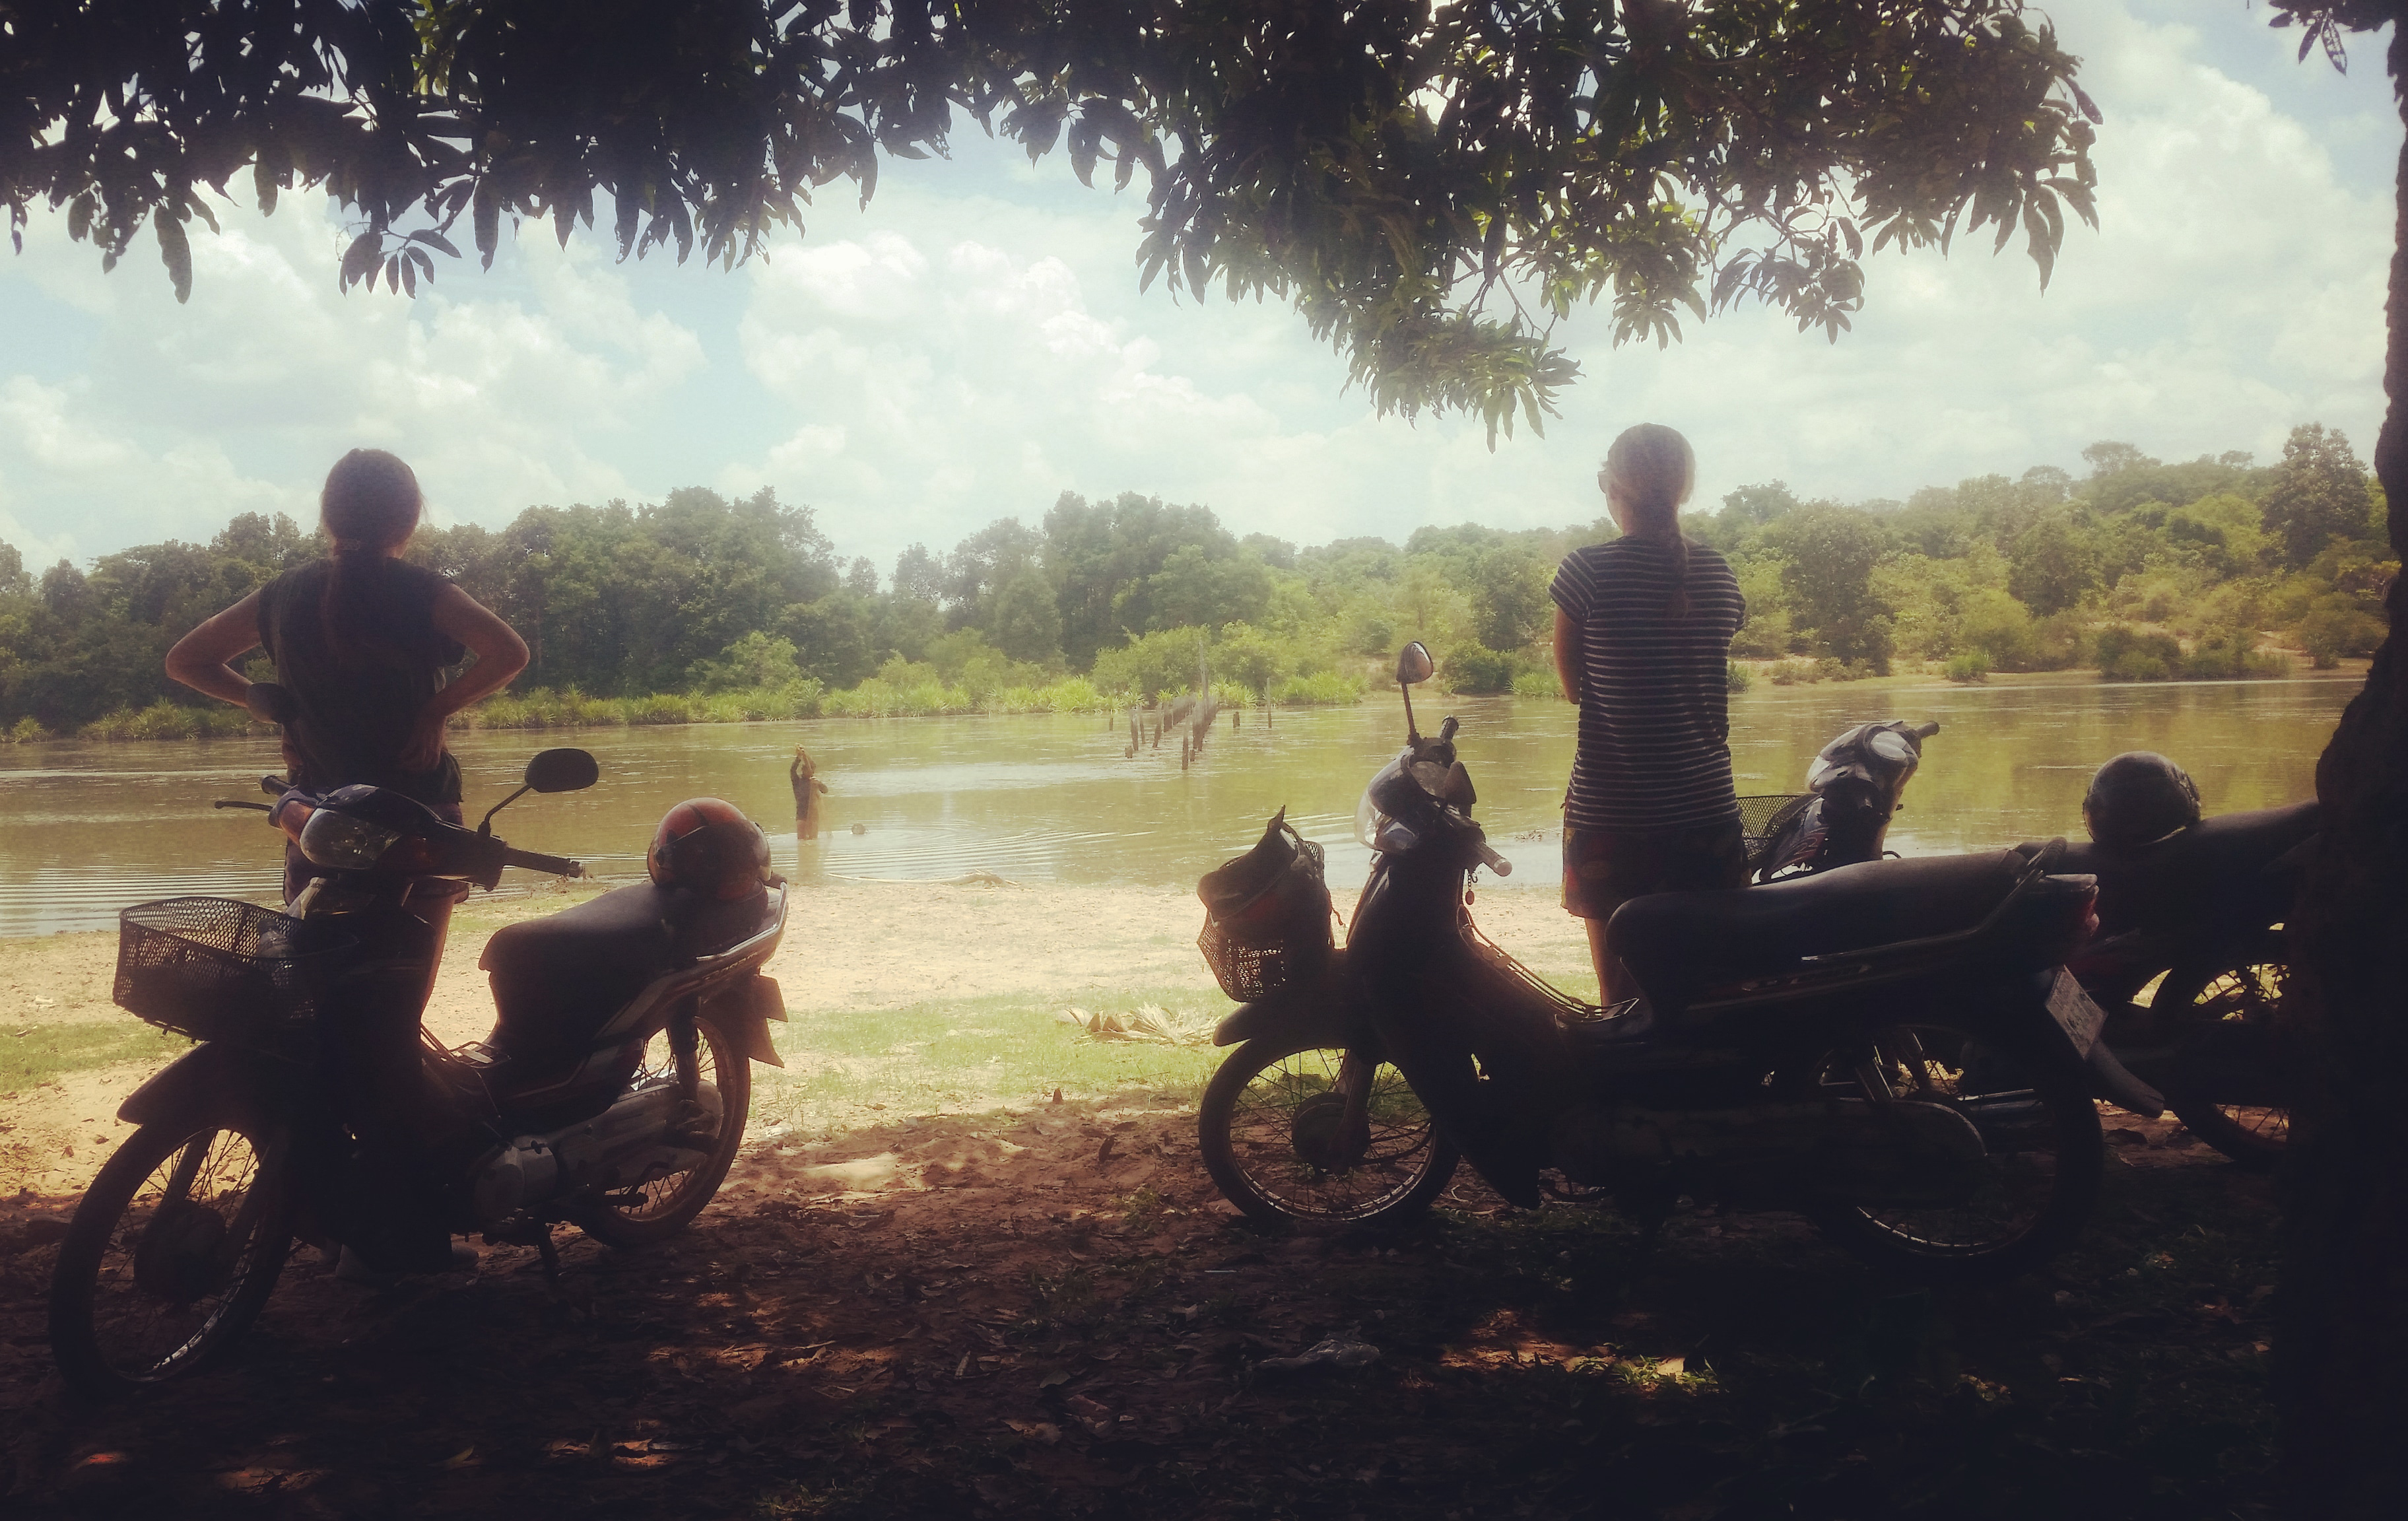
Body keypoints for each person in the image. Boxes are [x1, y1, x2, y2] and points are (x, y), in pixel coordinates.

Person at [166, 448, 529, 1275]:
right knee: (391, 1024)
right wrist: (438, 710)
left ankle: (345, 1213)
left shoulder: (282, 596)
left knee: (324, 1013)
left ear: (329, 516)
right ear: (408, 518)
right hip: (416, 832)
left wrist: (266, 702)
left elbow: (185, 660)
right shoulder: (421, 590)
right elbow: (508, 652)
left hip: (317, 830)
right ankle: (405, 1235)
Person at [1550, 424, 1749, 1005]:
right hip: (1707, 811)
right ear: (1684, 489)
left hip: (1614, 816)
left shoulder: (1585, 572)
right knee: (1715, 988)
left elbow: (1573, 690)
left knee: (1623, 998)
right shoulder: (1718, 573)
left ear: (1614, 488)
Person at [791, 744, 830, 840]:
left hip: (814, 814)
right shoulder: (797, 781)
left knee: (813, 839)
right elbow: (792, 770)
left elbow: (825, 790)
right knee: (802, 839)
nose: (808, 771)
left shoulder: (814, 782)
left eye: (811, 770)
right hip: (801, 813)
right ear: (803, 770)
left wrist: (819, 783)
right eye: (806, 769)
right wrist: (799, 757)